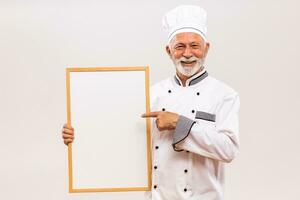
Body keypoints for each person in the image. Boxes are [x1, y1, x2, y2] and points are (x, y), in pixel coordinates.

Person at [61, 5, 240, 200]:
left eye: (195, 45)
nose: (187, 53)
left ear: (206, 48)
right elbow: (120, 136)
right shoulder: (151, 94)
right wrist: (81, 137)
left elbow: (229, 150)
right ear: (168, 50)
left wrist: (180, 123)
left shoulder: (224, 95)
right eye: (180, 47)